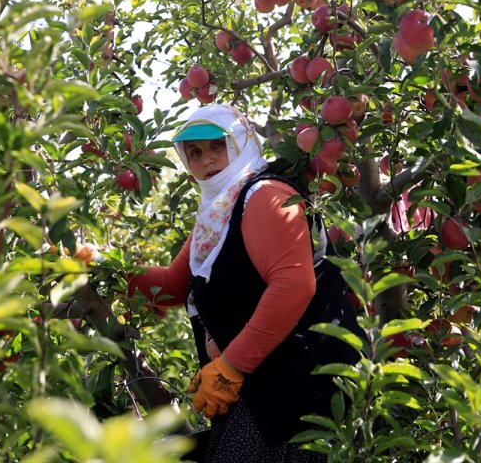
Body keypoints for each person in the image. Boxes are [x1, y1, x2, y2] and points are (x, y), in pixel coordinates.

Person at [128, 104, 365, 462]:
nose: (207, 159)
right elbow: (173, 286)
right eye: (194, 152)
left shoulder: (265, 196)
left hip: (304, 394)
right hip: (264, 394)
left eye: (217, 146)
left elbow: (294, 286)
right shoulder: (217, 216)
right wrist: (99, 269)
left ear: (240, 143)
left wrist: (231, 367)